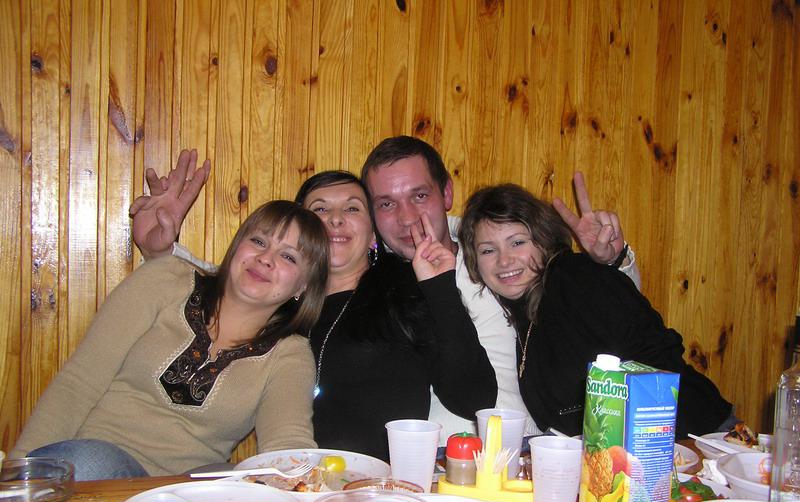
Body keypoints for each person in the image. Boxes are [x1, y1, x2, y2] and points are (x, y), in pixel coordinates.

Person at [134, 161, 497, 459]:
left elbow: (474, 399)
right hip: (292, 483)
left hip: (381, 491)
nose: (335, 219)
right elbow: (212, 291)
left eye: (352, 208)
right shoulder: (271, 302)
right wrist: (160, 252)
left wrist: (439, 288)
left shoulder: (405, 292)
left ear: (373, 234)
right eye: (320, 209)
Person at [11, 191, 330, 480]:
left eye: (288, 257)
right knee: (89, 461)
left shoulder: (290, 354)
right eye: (259, 241)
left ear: (302, 287)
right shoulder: (166, 280)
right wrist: (17, 476)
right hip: (97, 468)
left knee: (233, 478)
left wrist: (303, 490)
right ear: (237, 246)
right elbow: (77, 383)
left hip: (182, 496)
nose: (266, 258)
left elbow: (286, 444)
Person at [359, 136, 640, 440]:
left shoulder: (492, 254)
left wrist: (612, 262)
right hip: (431, 452)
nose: (406, 218)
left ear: (446, 193)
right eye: (387, 204)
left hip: (529, 445)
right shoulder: (370, 284)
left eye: (420, 196)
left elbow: (607, 316)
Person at [457, 181, 734, 438]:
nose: (504, 260)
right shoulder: (523, 316)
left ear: (543, 240)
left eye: (517, 242)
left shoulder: (572, 276)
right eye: (488, 250)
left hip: (697, 440)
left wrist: (612, 262)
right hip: (629, 457)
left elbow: (658, 350)